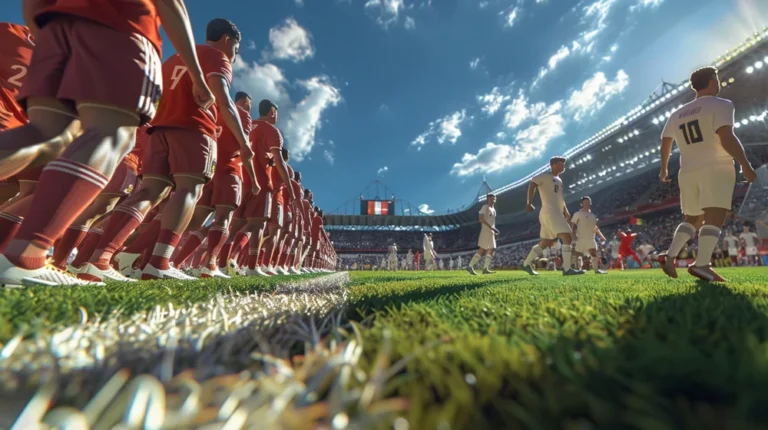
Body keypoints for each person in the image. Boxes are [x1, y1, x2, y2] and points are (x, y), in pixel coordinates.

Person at [0, 0, 216, 286]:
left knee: (45, 133)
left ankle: (26, 253)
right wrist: (197, 75)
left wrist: (47, 32)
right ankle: (25, 256)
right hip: (122, 25)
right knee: (111, 133)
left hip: (56, 24)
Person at [657, 66, 757, 282]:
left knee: (692, 218)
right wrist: (745, 165)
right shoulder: (721, 104)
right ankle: (701, 265)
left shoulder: (677, 113)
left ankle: (669, 255)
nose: (719, 82)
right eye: (717, 79)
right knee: (714, 217)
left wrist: (664, 168)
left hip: (688, 171)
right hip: (716, 166)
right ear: (711, 81)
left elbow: (665, 141)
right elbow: (726, 137)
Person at [521, 156, 583, 276]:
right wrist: (529, 203)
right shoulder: (544, 176)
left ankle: (525, 264)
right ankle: (566, 269)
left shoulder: (559, 180)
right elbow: (532, 183)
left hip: (554, 213)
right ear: (553, 164)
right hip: (550, 212)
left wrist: (566, 211)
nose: (563, 165)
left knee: (545, 242)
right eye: (561, 163)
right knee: (567, 238)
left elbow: (560, 199)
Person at [570, 196, 607, 274]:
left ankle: (596, 270)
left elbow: (595, 227)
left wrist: (602, 236)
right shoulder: (577, 214)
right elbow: (572, 225)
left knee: (594, 253)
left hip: (591, 238)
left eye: (588, 202)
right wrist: (573, 235)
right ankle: (578, 270)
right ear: (581, 204)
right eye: (585, 202)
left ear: (590, 203)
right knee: (578, 255)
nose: (587, 203)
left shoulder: (593, 216)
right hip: (580, 238)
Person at [467, 193, 498, 275]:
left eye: (494, 198)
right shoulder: (485, 207)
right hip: (485, 231)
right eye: (492, 198)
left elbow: (492, 223)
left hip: (491, 232)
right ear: (488, 199)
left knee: (491, 249)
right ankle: (470, 266)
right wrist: (490, 227)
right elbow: (481, 219)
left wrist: (493, 230)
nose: (493, 199)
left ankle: (485, 268)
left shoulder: (494, 209)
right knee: (482, 249)